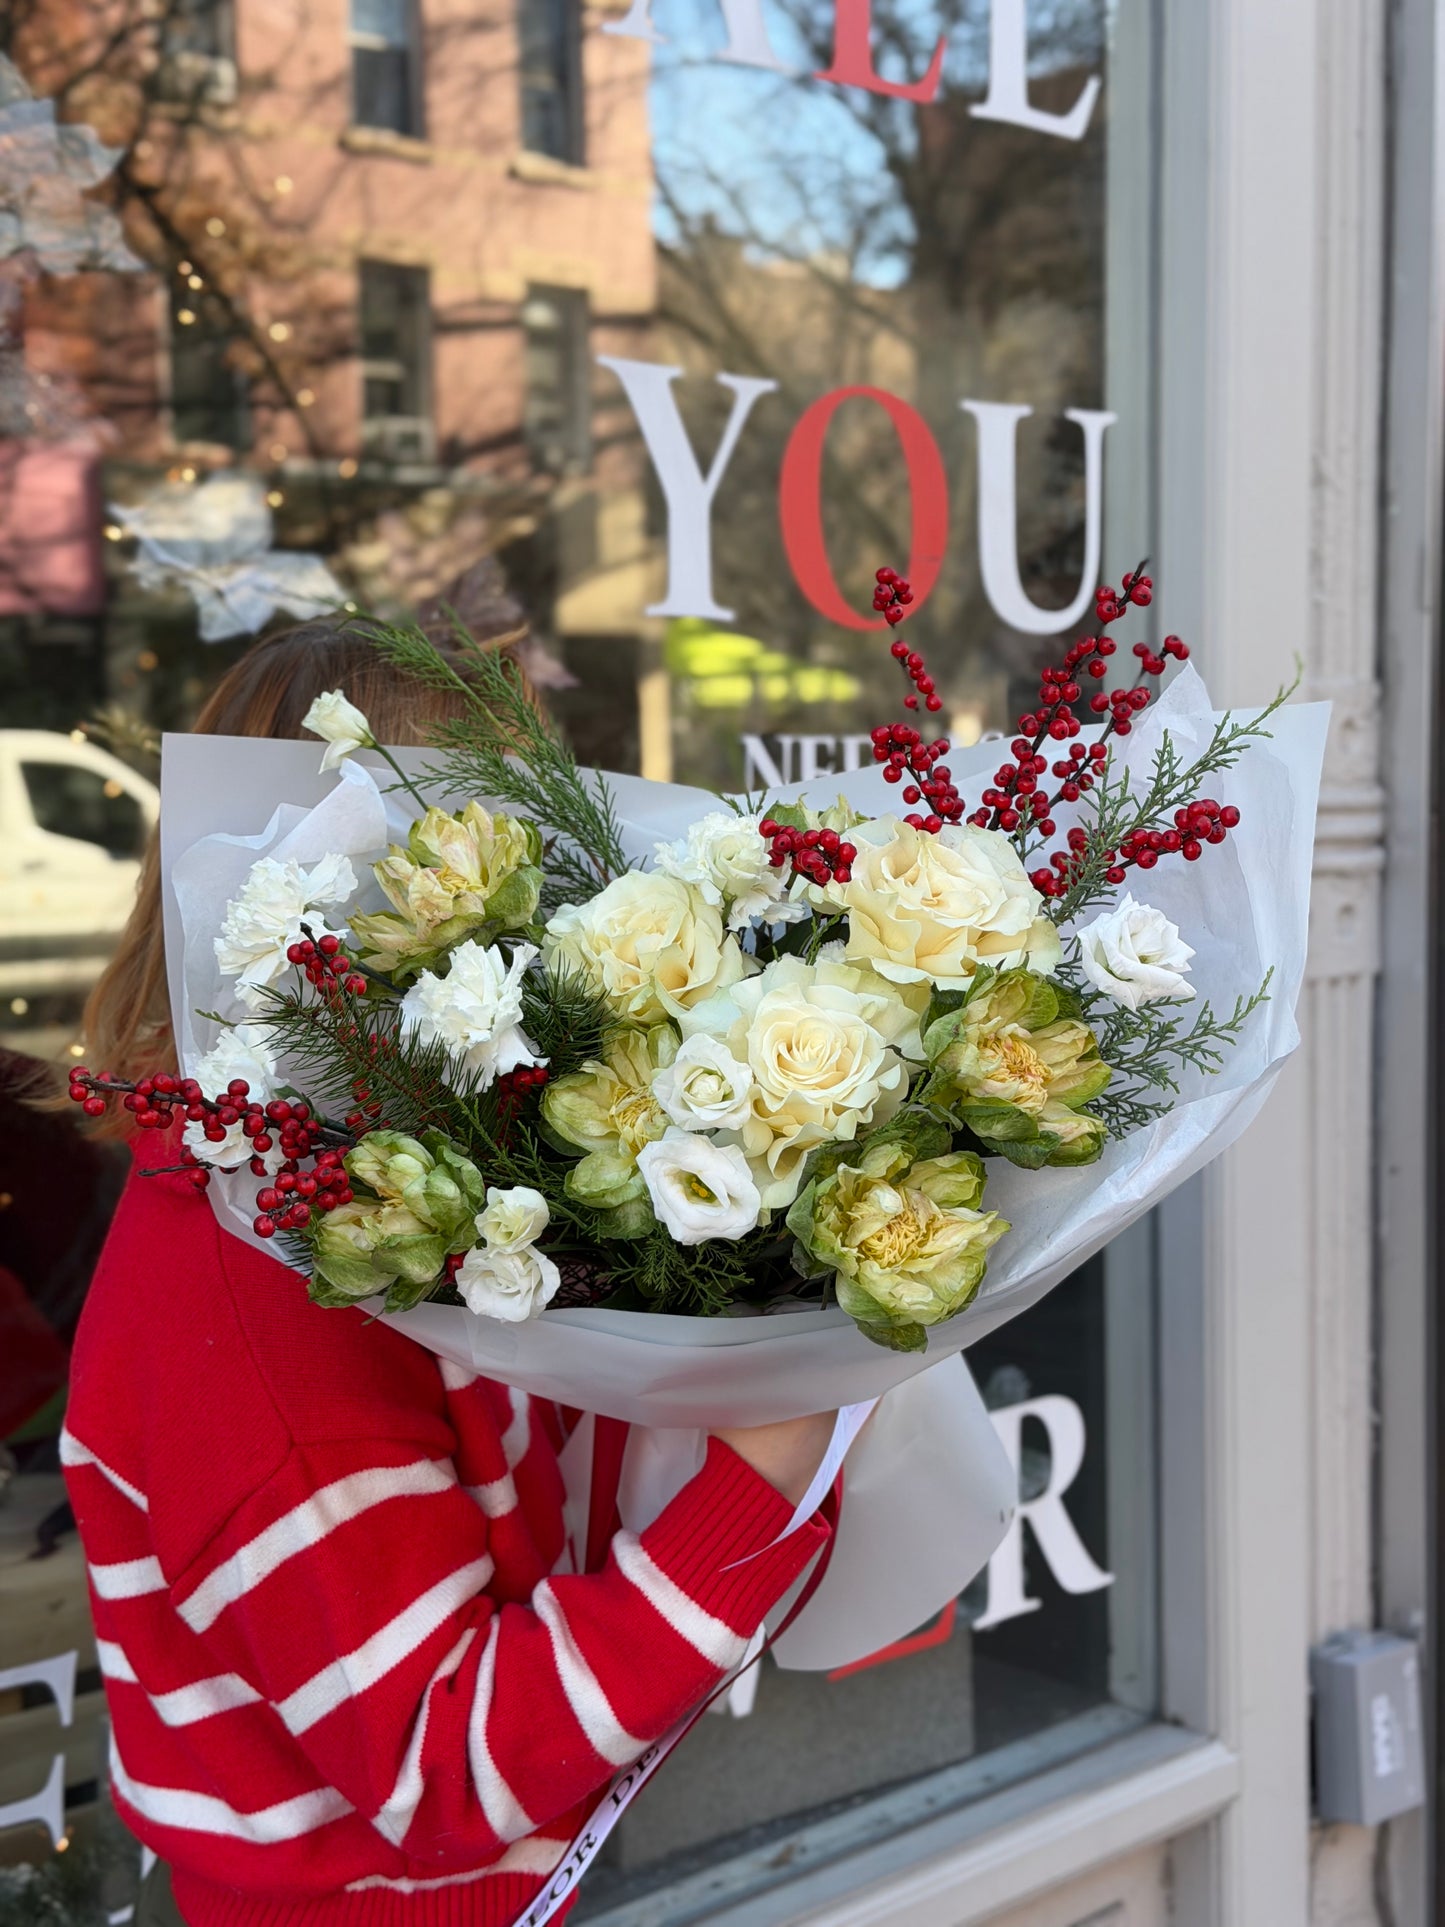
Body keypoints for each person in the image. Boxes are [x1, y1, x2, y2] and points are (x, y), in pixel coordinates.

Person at [62, 617, 837, 1927]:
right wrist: (756, 1480)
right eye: (489, 861)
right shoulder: (253, 1293)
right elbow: (440, 1760)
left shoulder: (363, 1185)